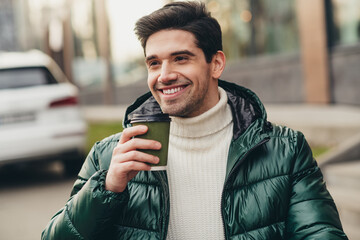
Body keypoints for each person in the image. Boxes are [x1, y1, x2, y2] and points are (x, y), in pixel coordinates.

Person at [42, 2, 348, 239]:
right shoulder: (110, 157)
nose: (164, 75)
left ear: (215, 63)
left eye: (180, 58)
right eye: (154, 63)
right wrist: (106, 190)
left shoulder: (286, 151)